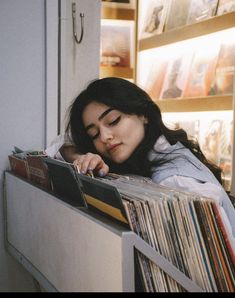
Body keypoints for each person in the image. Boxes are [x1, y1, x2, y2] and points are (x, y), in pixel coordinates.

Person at [46, 77, 235, 239]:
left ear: (143, 114)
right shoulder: (160, 150)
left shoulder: (177, 182)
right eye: (94, 134)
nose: (104, 137)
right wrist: (84, 157)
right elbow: (58, 146)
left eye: (113, 121)